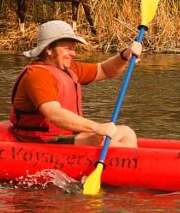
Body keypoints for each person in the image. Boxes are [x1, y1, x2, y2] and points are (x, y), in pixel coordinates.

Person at [10, 20, 143, 147]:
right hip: (43, 141)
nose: (73, 53)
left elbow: (104, 70)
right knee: (100, 140)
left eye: (74, 49)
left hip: (66, 135)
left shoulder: (68, 68)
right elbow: (53, 114)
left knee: (127, 132)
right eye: (68, 49)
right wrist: (96, 127)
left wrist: (125, 56)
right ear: (49, 50)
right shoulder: (38, 75)